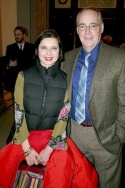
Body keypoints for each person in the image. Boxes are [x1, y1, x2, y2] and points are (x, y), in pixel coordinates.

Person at [0, 29, 98, 188]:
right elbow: (19, 112)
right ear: (37, 50)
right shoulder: (23, 76)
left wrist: (49, 149)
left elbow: (63, 117)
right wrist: (26, 149)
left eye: (54, 48)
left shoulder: (65, 80)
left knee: (63, 177)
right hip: (23, 136)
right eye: (44, 47)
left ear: (60, 52)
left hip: (53, 139)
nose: (49, 53)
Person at [61, 7, 125, 188]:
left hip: (106, 136)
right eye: (82, 26)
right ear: (77, 29)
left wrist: (119, 136)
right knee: (81, 182)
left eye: (92, 25)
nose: (87, 31)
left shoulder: (120, 59)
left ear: (102, 27)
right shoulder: (67, 58)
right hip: (74, 134)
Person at [4, 26, 35, 93]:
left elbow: (34, 63)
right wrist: (9, 65)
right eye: (15, 34)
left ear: (24, 35)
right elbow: (7, 63)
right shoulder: (10, 48)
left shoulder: (32, 47)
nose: (16, 36)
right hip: (14, 81)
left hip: (28, 80)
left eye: (19, 34)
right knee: (16, 102)